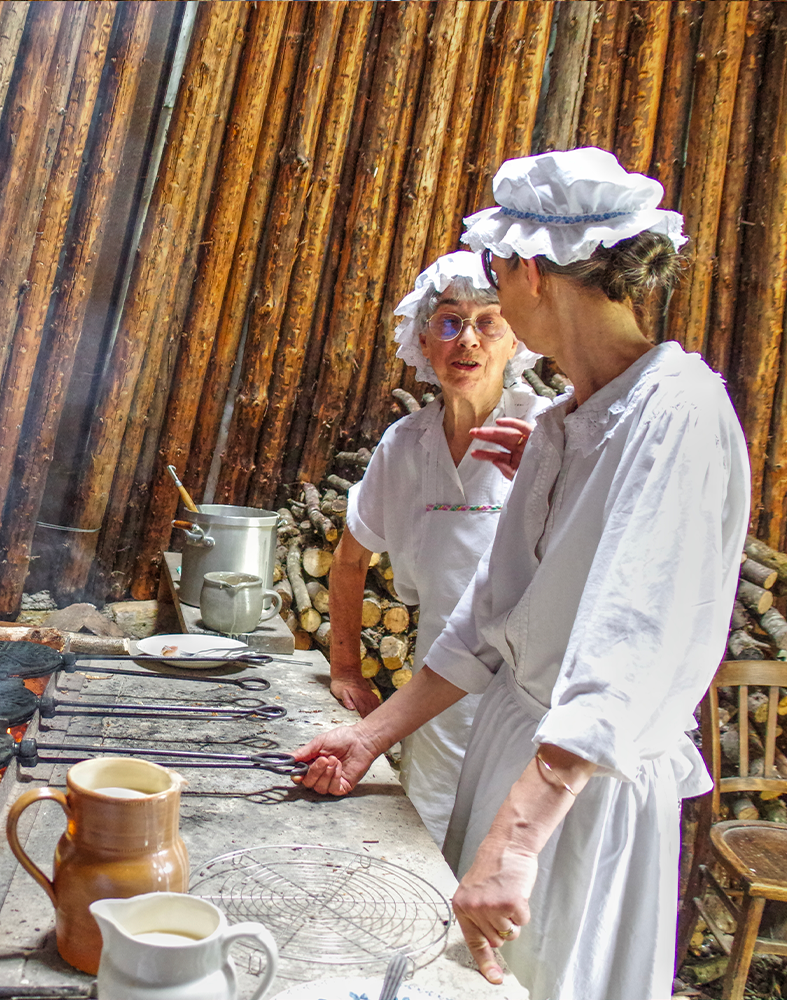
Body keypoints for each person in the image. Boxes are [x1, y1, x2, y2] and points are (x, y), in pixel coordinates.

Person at [294, 147, 750, 1000]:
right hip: (509, 754)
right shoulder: (562, 423)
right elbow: (482, 623)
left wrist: (514, 843)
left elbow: (631, 643)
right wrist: (368, 737)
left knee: (546, 983)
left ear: (532, 273)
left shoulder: (678, 411)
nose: (490, 302)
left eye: (497, 280)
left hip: (574, 790)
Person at [329, 250, 550, 845]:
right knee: (427, 855)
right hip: (434, 704)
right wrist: (346, 666)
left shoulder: (548, 434)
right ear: (424, 343)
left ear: (515, 341)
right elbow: (351, 560)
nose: (467, 341)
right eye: (449, 322)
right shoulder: (407, 446)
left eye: (488, 322)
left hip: (526, 708)